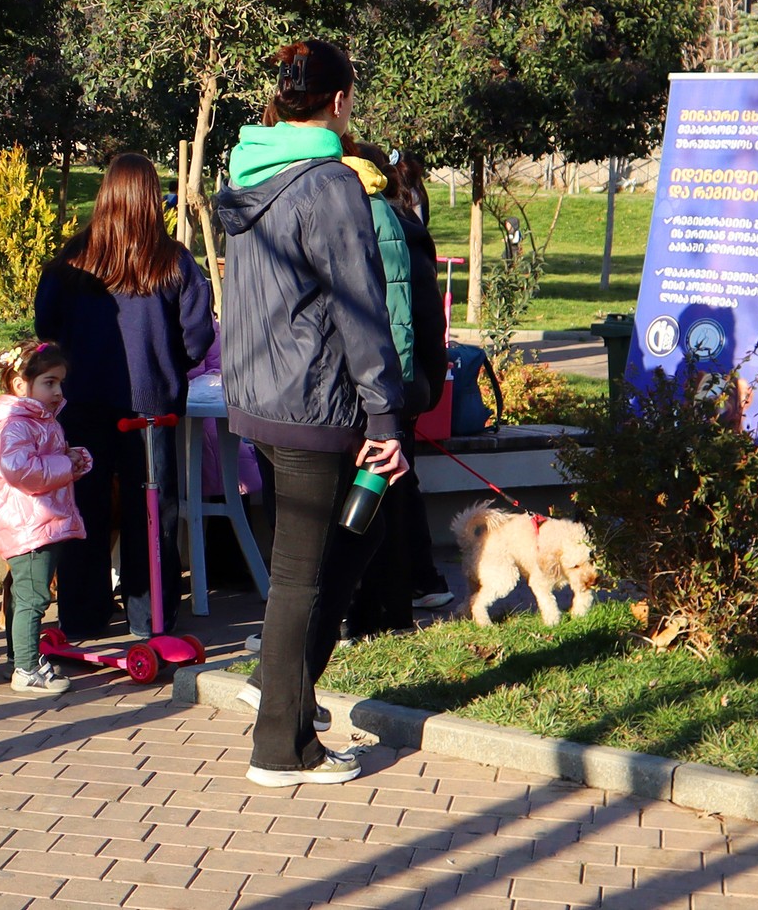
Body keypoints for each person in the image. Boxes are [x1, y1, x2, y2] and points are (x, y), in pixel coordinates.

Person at [211, 39, 407, 787]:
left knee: (355, 541)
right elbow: (363, 309)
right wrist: (385, 420)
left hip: (265, 399)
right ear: (338, 102)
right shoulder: (328, 183)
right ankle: (281, 746)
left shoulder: (250, 170)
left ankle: (286, 694)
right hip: (313, 404)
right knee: (302, 577)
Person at [34, 153, 215, 638]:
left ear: (105, 194)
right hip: (153, 407)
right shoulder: (172, 260)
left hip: (83, 402)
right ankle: (150, 619)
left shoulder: (73, 257)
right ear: (153, 198)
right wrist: (170, 363)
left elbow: (45, 325)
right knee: (152, 513)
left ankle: (82, 617)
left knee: (84, 510)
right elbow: (198, 336)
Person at [341, 141, 450, 638]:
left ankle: (379, 610)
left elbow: (410, 316)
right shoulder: (407, 226)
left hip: (378, 386)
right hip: (399, 385)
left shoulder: (379, 225)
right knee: (397, 492)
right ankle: (401, 599)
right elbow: (426, 319)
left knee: (379, 496)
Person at [0, 340, 92, 696]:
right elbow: (17, 469)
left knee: (28, 593)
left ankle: (21, 658)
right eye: (49, 383)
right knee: (33, 597)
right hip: (28, 525)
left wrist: (74, 459)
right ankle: (26, 669)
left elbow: (40, 461)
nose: (58, 392)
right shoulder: (14, 423)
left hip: (38, 521)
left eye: (59, 383)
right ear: (19, 384)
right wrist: (63, 465)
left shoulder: (38, 420)